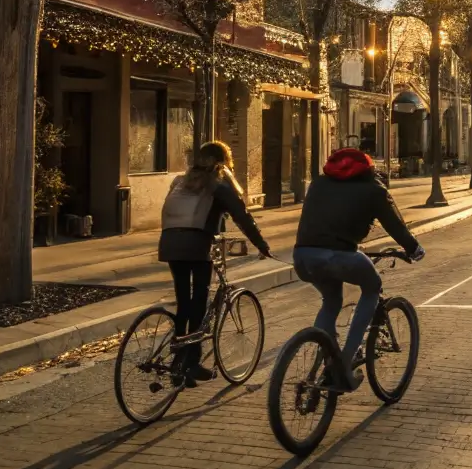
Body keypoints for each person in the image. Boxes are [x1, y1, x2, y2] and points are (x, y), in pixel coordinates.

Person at [294, 147, 424, 391]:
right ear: (368, 169)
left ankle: (325, 350)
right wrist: (414, 248)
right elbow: (395, 225)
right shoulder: (374, 189)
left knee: (332, 301)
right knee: (372, 287)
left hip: (303, 256)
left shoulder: (318, 184)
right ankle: (344, 361)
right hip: (340, 255)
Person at [158, 141, 270, 387]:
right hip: (196, 243)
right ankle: (192, 362)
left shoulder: (181, 180)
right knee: (199, 299)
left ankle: (179, 362)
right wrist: (261, 244)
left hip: (169, 242)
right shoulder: (219, 183)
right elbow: (242, 215)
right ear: (224, 161)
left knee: (183, 302)